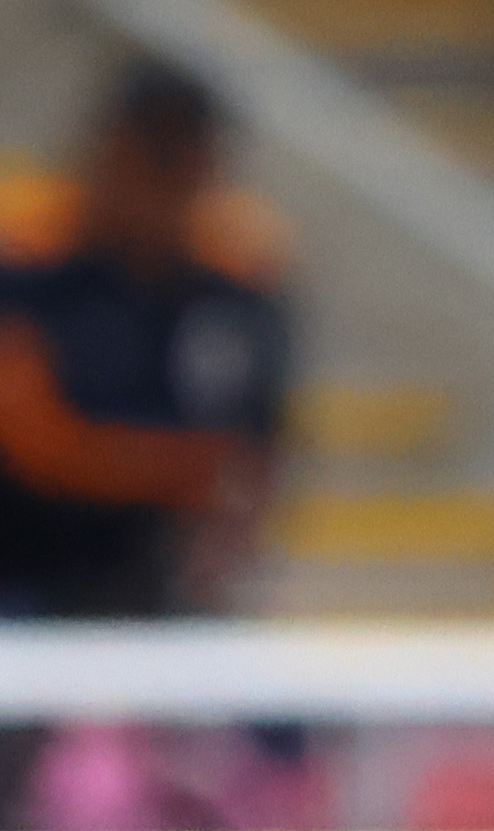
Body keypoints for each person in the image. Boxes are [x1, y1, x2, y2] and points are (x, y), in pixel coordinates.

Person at [0, 59, 283, 627]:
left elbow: (255, 459)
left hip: (156, 585)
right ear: (105, 150)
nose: (161, 183)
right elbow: (34, 444)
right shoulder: (26, 263)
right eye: (150, 154)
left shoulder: (233, 286)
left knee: (272, 705)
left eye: (183, 157)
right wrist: (188, 467)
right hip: (21, 570)